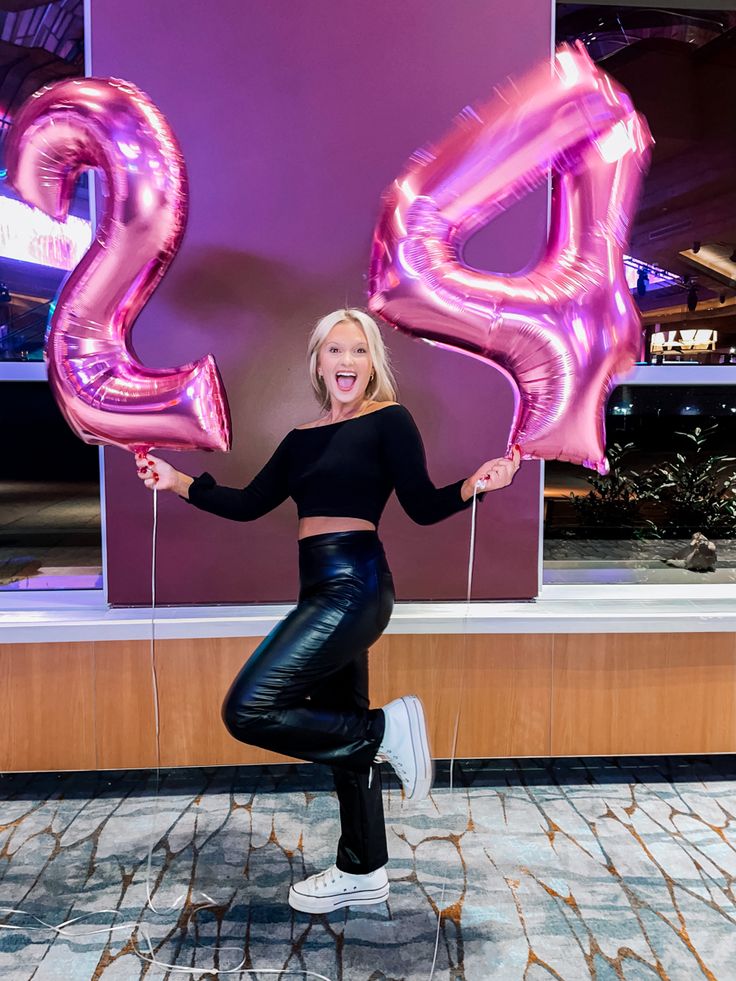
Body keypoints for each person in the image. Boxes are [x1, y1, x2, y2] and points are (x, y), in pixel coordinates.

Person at [135, 308, 520, 914]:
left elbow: (421, 505)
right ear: (318, 362)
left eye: (359, 351)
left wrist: (477, 484)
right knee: (342, 732)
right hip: (318, 589)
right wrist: (176, 480)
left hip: (357, 584)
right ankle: (363, 868)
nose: (347, 361)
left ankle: (386, 731)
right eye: (334, 351)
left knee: (250, 708)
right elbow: (248, 504)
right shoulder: (301, 438)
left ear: (373, 365)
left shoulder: (389, 421)